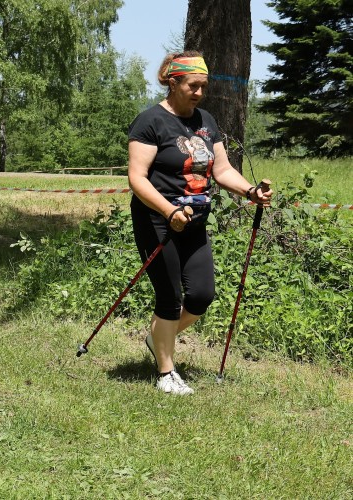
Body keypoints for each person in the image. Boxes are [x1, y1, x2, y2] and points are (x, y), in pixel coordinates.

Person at [128, 52, 272, 395]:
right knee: (169, 295)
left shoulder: (206, 120)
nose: (198, 93)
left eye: (203, 87)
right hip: (158, 220)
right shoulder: (150, 122)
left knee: (201, 295)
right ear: (173, 82)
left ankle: (157, 338)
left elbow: (221, 170)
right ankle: (166, 373)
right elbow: (137, 178)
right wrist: (168, 211)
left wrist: (249, 192)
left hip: (194, 222)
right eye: (193, 85)